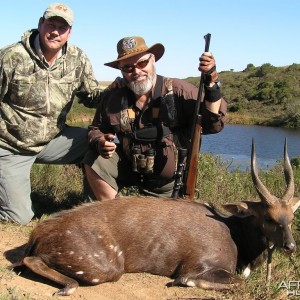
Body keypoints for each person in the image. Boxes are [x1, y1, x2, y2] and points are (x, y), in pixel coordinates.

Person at [83, 36, 227, 200]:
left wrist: (212, 83)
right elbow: (96, 129)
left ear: (153, 61)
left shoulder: (179, 90)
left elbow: (213, 124)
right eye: (128, 68)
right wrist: (100, 141)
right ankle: (110, 216)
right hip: (130, 169)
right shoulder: (113, 96)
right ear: (121, 71)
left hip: (167, 184)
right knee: (93, 158)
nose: (136, 71)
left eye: (142, 63)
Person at [0, 3, 105, 225]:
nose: (55, 31)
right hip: (12, 146)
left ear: (69, 32)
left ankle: (94, 209)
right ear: (40, 24)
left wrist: (122, 90)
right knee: (18, 220)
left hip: (54, 140)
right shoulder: (11, 56)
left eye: (62, 27)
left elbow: (91, 97)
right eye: (51, 24)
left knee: (97, 143)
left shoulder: (77, 58)